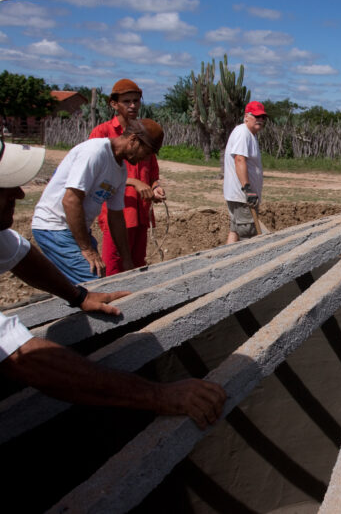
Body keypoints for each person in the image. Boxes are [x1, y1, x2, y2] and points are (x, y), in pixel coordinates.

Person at [0, 137, 226, 429]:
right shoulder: (96, 153)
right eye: (5, 187)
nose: (20, 194)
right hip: (59, 230)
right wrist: (158, 396)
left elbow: (20, 255)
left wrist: (78, 295)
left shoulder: (119, 170)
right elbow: (24, 358)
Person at [31, 119, 164, 284]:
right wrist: (87, 249)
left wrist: (127, 260)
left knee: (92, 280)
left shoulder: (120, 171)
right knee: (94, 283)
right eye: (148, 152)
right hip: (53, 226)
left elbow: (116, 217)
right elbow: (70, 201)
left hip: (75, 229)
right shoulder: (95, 152)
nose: (146, 158)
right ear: (133, 140)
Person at [90, 79, 165, 276]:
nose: (133, 106)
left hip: (141, 213)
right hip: (118, 214)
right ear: (114, 104)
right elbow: (97, 174)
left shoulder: (145, 133)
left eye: (136, 101)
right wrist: (134, 183)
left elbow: (153, 175)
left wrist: (155, 187)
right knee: (114, 267)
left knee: (137, 266)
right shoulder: (103, 133)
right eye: (127, 101)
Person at [223, 101, 268, 244]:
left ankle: (224, 261)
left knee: (235, 230)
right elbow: (239, 159)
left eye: (262, 117)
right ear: (246, 117)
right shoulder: (243, 133)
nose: (260, 120)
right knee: (247, 235)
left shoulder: (250, 134)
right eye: (257, 116)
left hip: (241, 196)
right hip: (242, 196)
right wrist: (247, 189)